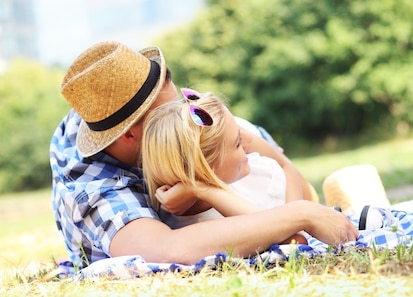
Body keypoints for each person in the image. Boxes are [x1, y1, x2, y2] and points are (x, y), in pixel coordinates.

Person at [50, 41, 358, 269]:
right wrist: (299, 214)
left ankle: (343, 194)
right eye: (169, 115)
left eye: (182, 101)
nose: (184, 115)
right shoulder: (90, 181)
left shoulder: (175, 109)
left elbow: (270, 157)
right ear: (130, 135)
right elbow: (162, 249)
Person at [141, 88, 306, 234]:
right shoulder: (205, 226)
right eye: (238, 143)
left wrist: (297, 212)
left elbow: (286, 164)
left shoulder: (233, 150)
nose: (248, 139)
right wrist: (202, 189)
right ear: (207, 168)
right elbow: (295, 239)